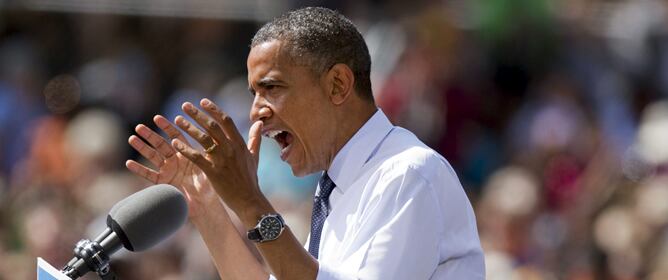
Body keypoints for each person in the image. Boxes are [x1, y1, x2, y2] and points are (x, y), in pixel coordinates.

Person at [125, 7, 485, 280]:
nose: (256, 112)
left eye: (272, 88)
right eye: (254, 93)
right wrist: (205, 206)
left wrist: (252, 204)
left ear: (337, 85)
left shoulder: (408, 175)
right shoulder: (339, 186)